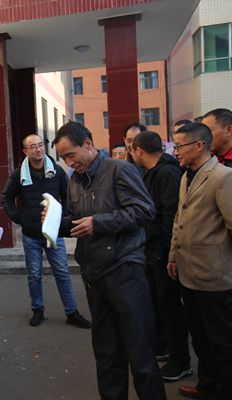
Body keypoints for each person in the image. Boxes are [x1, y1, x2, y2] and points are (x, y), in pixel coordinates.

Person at [51, 121, 165, 400]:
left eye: (71, 155)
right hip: (95, 276)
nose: (69, 163)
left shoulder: (119, 170)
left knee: (141, 355)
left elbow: (144, 210)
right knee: (106, 355)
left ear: (88, 144)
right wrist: (54, 222)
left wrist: (98, 223)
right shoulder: (75, 180)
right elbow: (78, 222)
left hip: (125, 272)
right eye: (64, 158)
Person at [167, 122, 232, 400]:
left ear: (198, 146)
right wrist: (173, 255)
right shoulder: (186, 176)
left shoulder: (223, 177)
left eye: (179, 145)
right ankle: (207, 386)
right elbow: (179, 218)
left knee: (221, 342)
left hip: (215, 276)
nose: (175, 151)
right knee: (200, 338)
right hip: (188, 272)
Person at [2, 133, 90, 328]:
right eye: (33, 146)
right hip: (31, 234)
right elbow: (6, 197)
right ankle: (37, 310)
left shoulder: (56, 171)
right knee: (34, 274)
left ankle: (72, 312)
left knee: (62, 273)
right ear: (25, 151)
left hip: (54, 232)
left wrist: (61, 217)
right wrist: (20, 218)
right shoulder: (19, 174)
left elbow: (68, 196)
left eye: (41, 145)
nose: (38, 149)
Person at [130, 131, 192, 382]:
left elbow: (171, 215)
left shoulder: (167, 173)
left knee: (171, 306)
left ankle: (181, 360)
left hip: (163, 252)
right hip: (153, 249)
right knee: (158, 303)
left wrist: (167, 253)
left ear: (139, 151)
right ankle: (164, 346)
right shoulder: (151, 172)